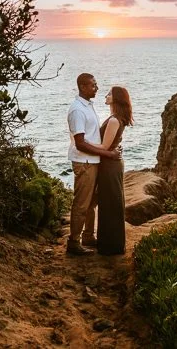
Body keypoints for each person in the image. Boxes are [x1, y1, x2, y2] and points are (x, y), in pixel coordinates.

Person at [66, 73, 121, 256]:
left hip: (94, 161)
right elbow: (80, 143)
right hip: (85, 162)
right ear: (83, 86)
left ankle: (88, 237)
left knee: (90, 203)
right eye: (93, 85)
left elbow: (93, 136)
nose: (96, 88)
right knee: (82, 203)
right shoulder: (77, 110)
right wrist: (108, 153)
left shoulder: (88, 106)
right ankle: (73, 243)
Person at [95, 86, 133, 255]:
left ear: (116, 98)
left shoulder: (114, 120)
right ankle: (112, 244)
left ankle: (111, 246)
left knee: (110, 204)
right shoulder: (116, 118)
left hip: (109, 165)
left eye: (109, 93)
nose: (106, 95)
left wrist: (79, 144)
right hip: (111, 163)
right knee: (111, 203)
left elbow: (104, 146)